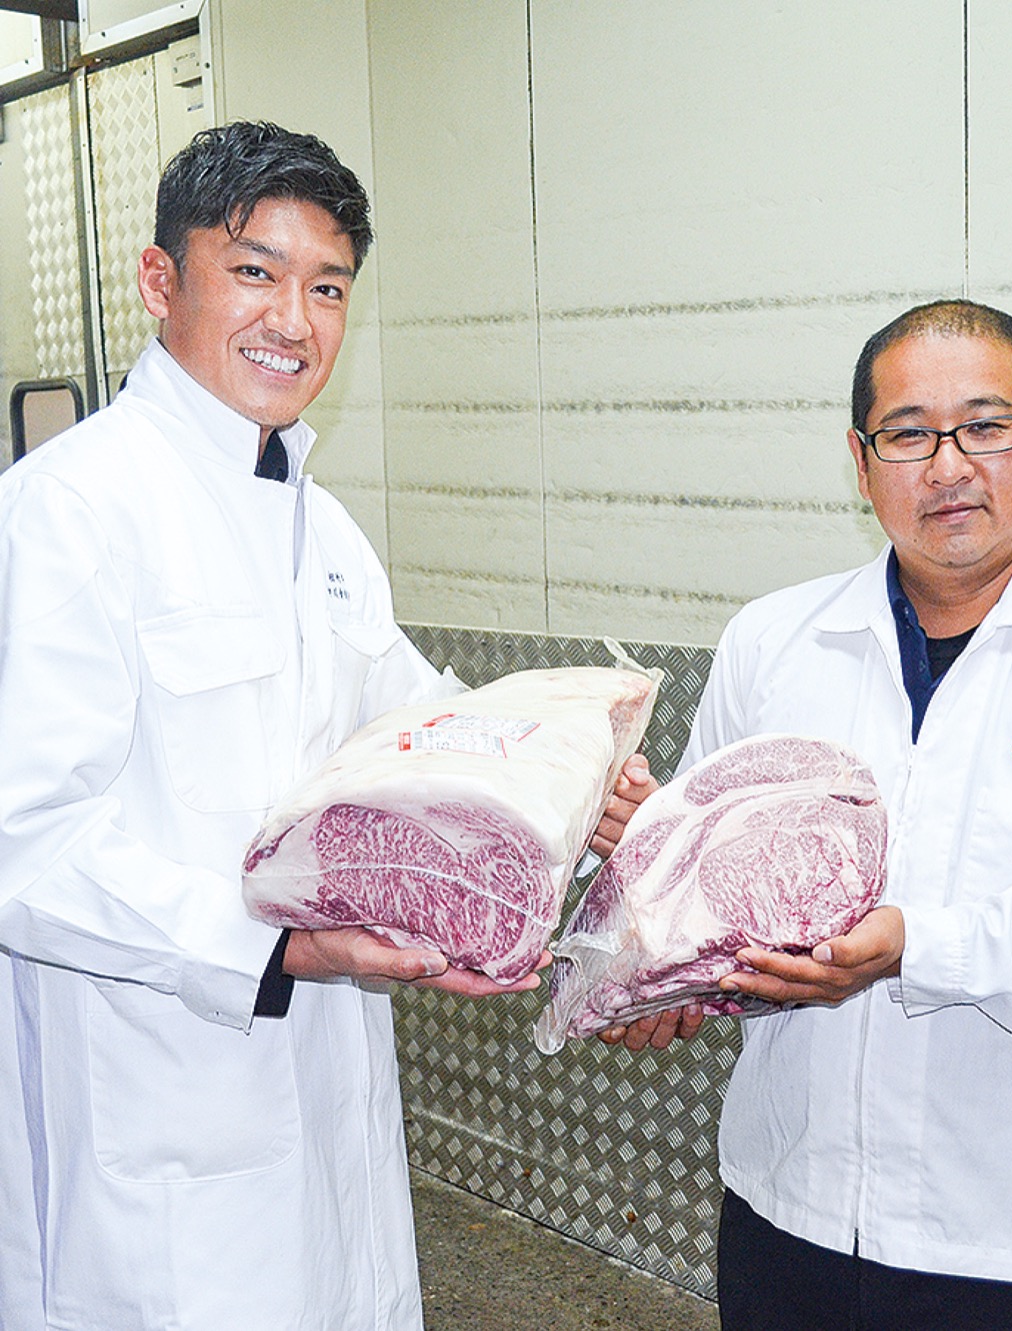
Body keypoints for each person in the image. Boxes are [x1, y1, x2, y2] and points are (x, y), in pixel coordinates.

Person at [0, 121, 650, 1331]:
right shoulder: (67, 512)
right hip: (153, 1116)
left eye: (329, 287)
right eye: (255, 271)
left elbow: (424, 727)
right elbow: (24, 847)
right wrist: (277, 947)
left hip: (329, 1107)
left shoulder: (323, 529)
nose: (293, 320)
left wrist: (575, 777)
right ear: (160, 280)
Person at [604, 300, 1012, 1331]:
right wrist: (658, 962)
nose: (949, 466)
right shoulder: (775, 640)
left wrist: (917, 948)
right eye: (909, 434)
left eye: (986, 426)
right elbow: (701, 891)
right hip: (785, 1211)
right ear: (861, 459)